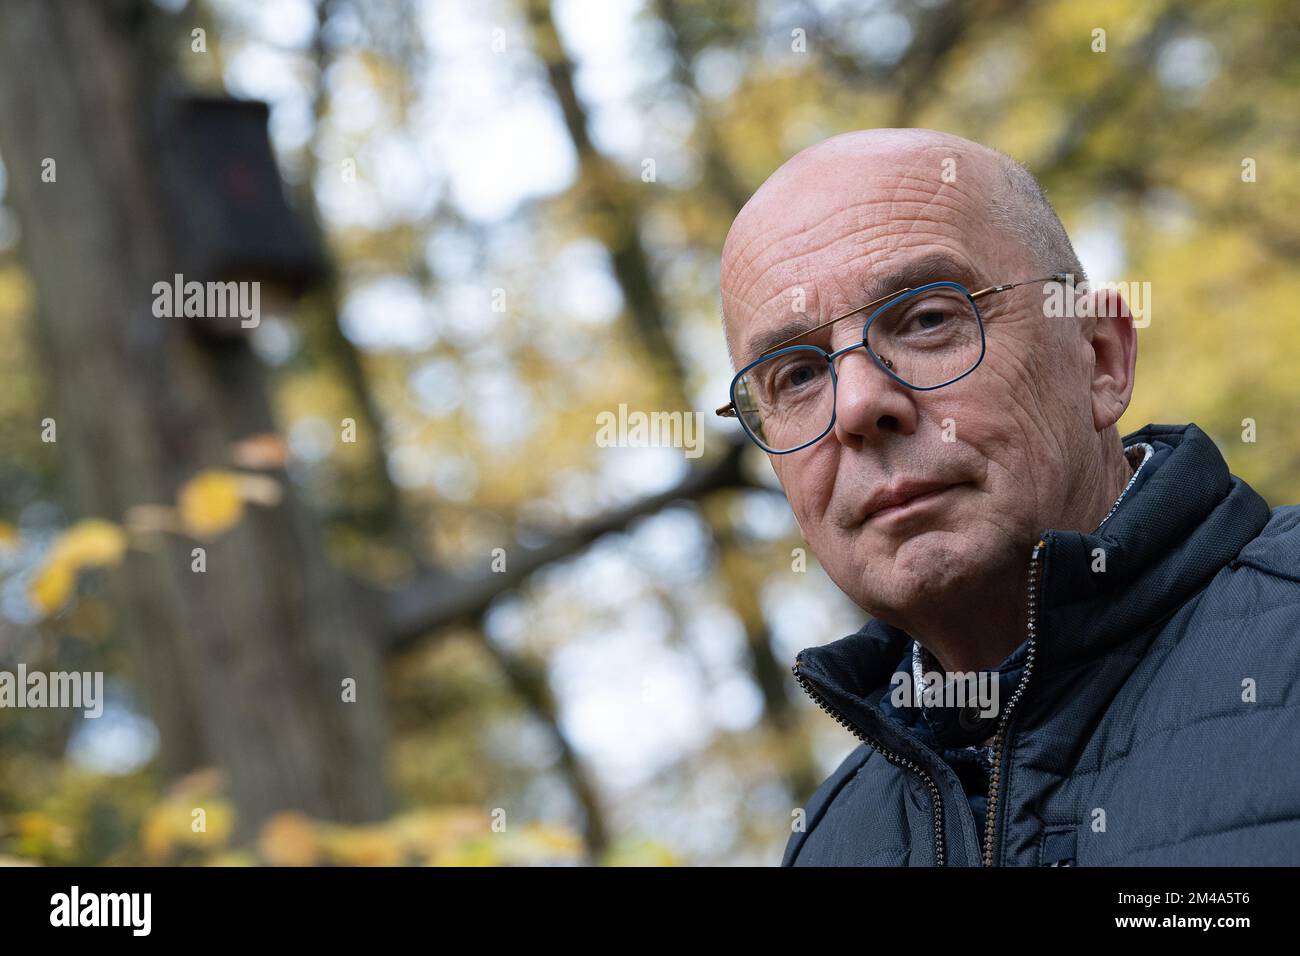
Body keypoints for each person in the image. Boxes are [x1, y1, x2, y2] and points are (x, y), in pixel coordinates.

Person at [716, 128, 1300, 866]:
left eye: (929, 318)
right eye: (796, 375)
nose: (860, 405)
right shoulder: (829, 844)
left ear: (1100, 358)